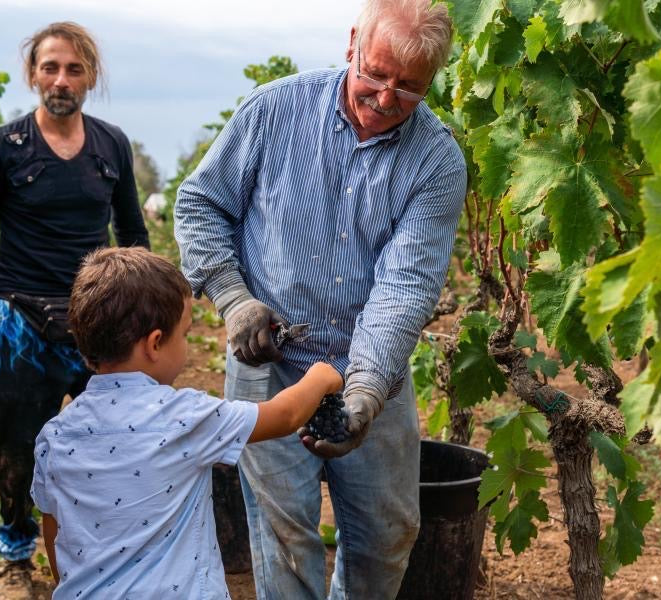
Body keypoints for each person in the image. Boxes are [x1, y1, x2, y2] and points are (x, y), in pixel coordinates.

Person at [174, 0, 466, 597]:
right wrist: (234, 299)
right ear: (352, 43)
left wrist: (365, 391)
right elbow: (200, 204)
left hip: (370, 372)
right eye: (375, 74)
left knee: (386, 538)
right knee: (284, 541)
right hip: (270, 367)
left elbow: (405, 287)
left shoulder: (436, 161)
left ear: (434, 80)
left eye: (409, 88)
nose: (385, 98)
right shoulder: (274, 110)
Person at [0, 22, 149, 599]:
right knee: (19, 446)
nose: (61, 80)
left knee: (110, 444)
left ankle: (100, 557)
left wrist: (148, 314)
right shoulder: (4, 145)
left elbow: (133, 234)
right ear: (33, 74)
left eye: (74, 69)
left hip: (99, 323)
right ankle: (15, 559)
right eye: (50, 67)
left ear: (90, 76)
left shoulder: (111, 145)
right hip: (21, 323)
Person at [30, 246, 342, 598]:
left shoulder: (55, 436)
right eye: (184, 334)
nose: (186, 346)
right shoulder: (184, 418)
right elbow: (285, 415)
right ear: (155, 344)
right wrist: (323, 375)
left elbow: (55, 535)